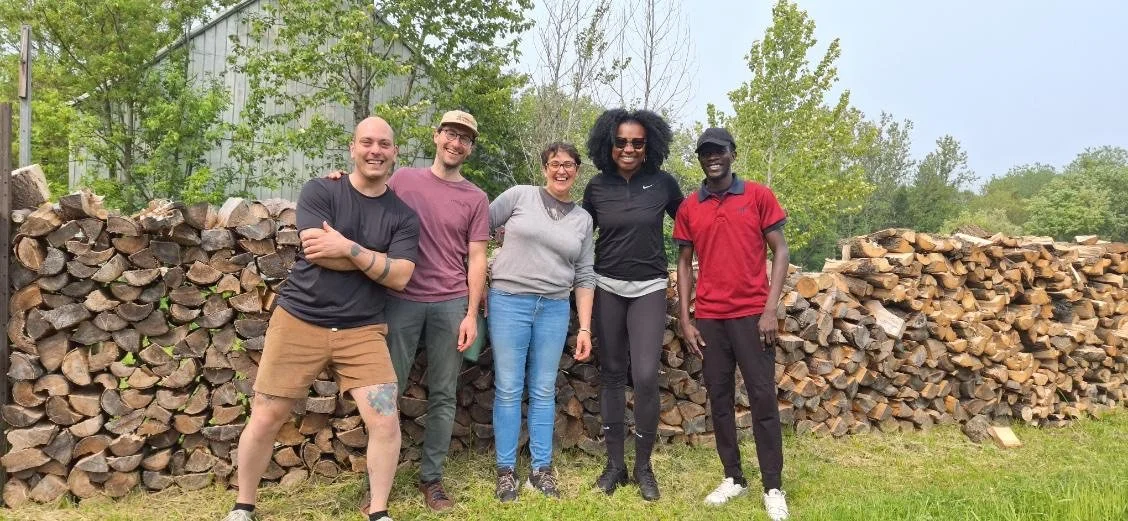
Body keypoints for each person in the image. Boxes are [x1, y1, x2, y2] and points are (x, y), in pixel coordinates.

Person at [221, 117, 420, 521]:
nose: (375, 150)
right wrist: (373, 260)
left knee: (384, 419)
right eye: (367, 142)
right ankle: (243, 506)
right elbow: (316, 252)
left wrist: (346, 246)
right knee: (267, 415)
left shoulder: (402, 215)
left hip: (362, 327)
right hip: (300, 319)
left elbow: (401, 276)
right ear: (352, 148)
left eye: (384, 144)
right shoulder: (321, 189)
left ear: (395, 152)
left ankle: (379, 512)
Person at [332, 110, 489, 512]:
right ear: (436, 136)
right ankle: (378, 481)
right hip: (398, 299)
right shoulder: (403, 180)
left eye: (465, 138)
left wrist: (471, 313)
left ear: (470, 147)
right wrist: (336, 183)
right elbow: (363, 191)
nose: (456, 143)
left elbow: (476, 258)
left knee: (443, 393)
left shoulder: (475, 197)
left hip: (450, 303)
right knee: (387, 392)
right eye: (450, 134)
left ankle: (431, 479)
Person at [673, 127, 790, 520]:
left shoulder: (757, 195)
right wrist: (686, 318)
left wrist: (770, 309)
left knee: (762, 399)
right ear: (701, 159)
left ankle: (773, 486)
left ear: (732, 154)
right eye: (705, 153)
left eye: (719, 151)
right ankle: (733, 477)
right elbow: (684, 264)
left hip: (753, 317)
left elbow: (781, 250)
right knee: (719, 400)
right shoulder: (690, 206)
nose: (712, 158)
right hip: (710, 318)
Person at [582, 108, 684, 501]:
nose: (628, 148)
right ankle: (615, 465)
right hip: (606, 285)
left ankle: (643, 466)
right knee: (610, 373)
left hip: (649, 289)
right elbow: (575, 233)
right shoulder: (596, 187)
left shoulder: (662, 183)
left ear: (649, 146)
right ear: (609, 144)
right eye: (621, 141)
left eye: (637, 142)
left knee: (643, 376)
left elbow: (693, 223)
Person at [487, 142, 595, 502]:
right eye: (554, 164)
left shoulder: (583, 220)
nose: (561, 170)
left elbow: (584, 275)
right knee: (508, 388)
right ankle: (506, 471)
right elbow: (478, 225)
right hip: (508, 302)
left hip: (553, 308)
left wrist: (584, 327)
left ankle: (541, 469)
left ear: (577, 170)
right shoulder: (519, 196)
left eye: (568, 165)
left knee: (544, 389)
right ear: (544, 167)